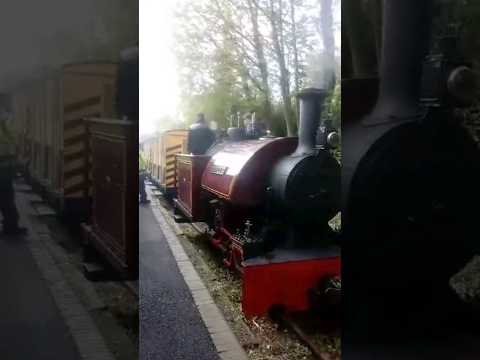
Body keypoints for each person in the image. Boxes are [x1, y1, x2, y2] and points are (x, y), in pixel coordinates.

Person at [0, 110, 27, 235]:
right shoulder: (3, 130)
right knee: (7, 200)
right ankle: (11, 227)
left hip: (6, 172)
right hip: (3, 173)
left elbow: (12, 148)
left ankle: (11, 226)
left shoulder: (5, 128)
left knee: (8, 200)